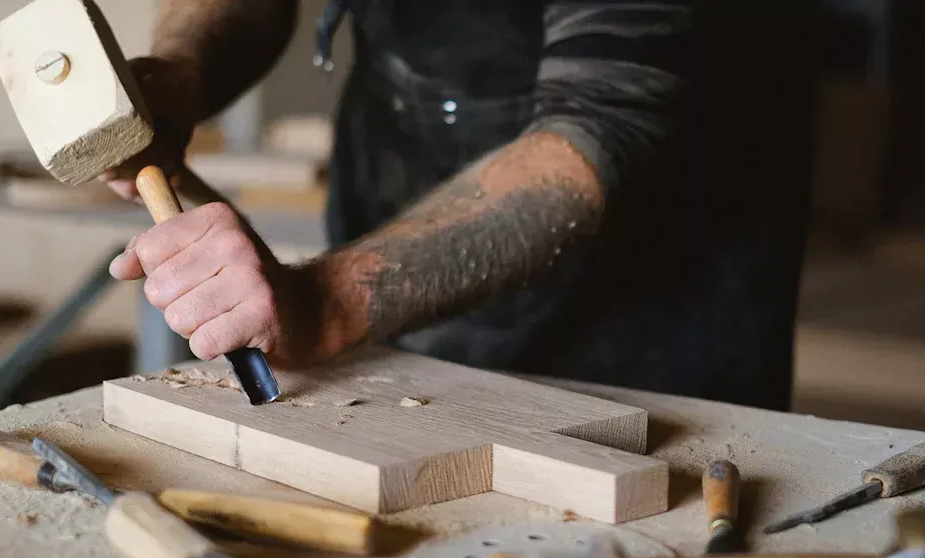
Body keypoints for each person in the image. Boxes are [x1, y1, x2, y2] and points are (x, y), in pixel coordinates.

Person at [105, 1, 819, 410]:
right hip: (397, 190)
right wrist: (186, 67)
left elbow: (600, 126)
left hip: (651, 304)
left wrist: (327, 302)